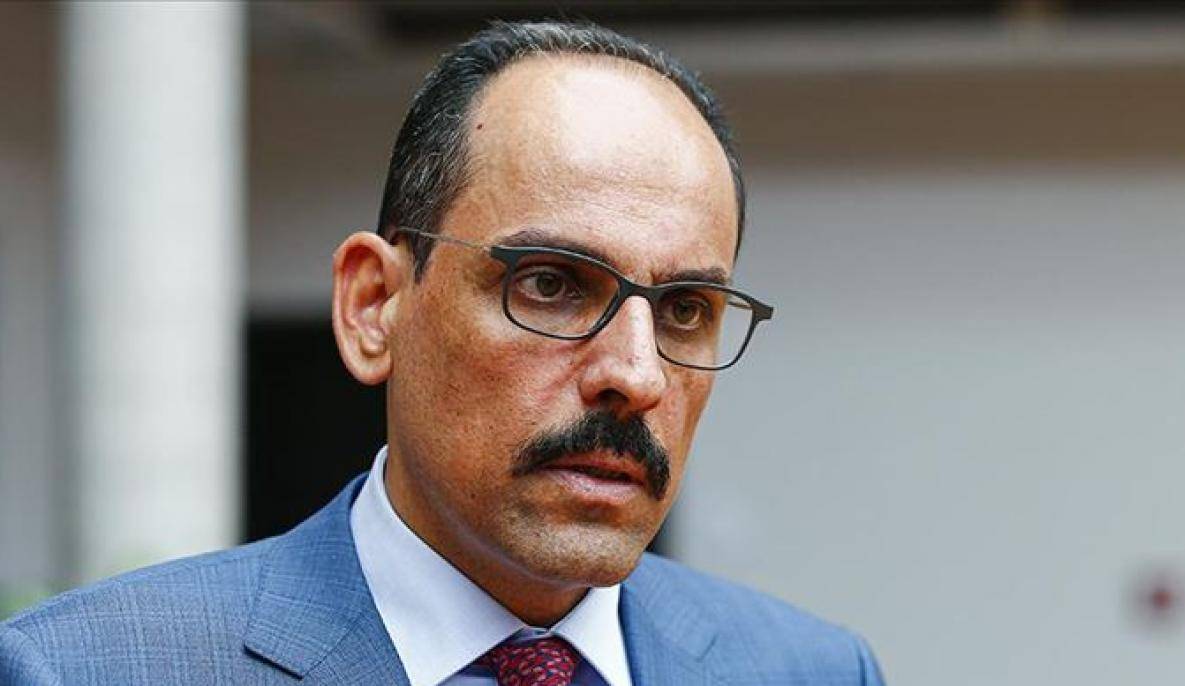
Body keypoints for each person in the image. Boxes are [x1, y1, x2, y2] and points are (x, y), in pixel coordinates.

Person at [0, 20, 884, 686]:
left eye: (685, 309)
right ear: (374, 306)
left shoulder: (810, 669)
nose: (636, 374)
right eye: (550, 285)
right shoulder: (87, 670)